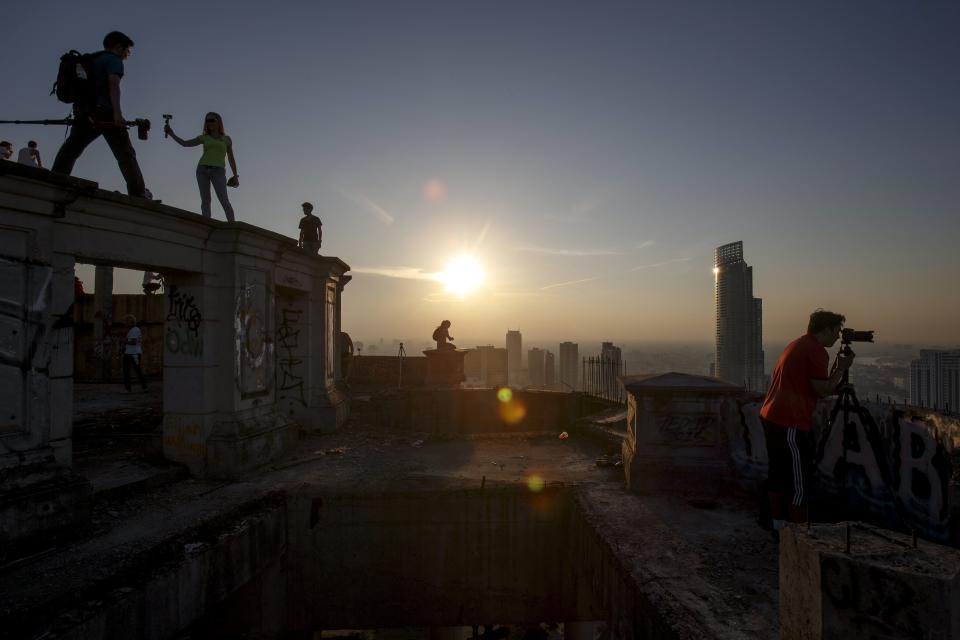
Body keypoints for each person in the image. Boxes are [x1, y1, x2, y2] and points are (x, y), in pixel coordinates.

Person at [759, 309, 854, 536]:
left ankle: (777, 526)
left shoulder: (798, 344)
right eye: (837, 331)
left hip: (771, 417)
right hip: (790, 421)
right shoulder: (815, 351)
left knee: (778, 473)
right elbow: (822, 390)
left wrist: (835, 374)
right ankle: (800, 535)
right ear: (828, 329)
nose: (838, 336)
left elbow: (817, 386)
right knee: (800, 480)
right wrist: (841, 368)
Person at [51, 31, 148, 198]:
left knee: (71, 149)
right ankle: (139, 195)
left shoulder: (92, 59)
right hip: (105, 113)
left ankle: (53, 180)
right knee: (126, 154)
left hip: (84, 113)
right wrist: (117, 114)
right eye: (127, 51)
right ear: (118, 46)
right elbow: (114, 85)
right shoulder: (113, 60)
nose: (127, 55)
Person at [164, 112, 238, 221]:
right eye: (207, 121)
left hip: (218, 171)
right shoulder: (204, 137)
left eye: (212, 120)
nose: (209, 123)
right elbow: (185, 143)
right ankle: (206, 224)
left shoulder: (226, 139)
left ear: (218, 122)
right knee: (205, 200)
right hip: (202, 169)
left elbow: (231, 158)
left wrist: (235, 175)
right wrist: (171, 134)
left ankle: (233, 226)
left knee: (224, 200)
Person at [123, 314, 148, 392]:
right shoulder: (132, 330)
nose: (125, 323)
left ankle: (143, 387)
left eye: (126, 321)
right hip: (130, 353)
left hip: (133, 353)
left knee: (135, 371)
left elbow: (133, 342)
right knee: (130, 371)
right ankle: (129, 388)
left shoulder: (134, 330)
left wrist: (124, 342)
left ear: (130, 322)